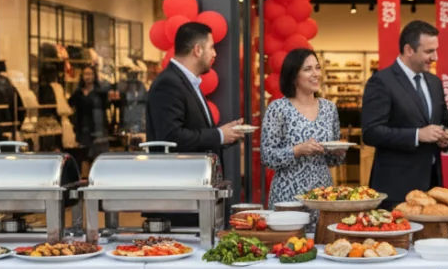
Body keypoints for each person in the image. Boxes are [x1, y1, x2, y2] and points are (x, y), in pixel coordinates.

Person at [361, 20, 448, 207]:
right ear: (409, 50)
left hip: (432, 189)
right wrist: (417, 135)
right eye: (429, 51)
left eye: (436, 50)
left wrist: (445, 136)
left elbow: (443, 122)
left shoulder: (434, 83)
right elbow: (371, 132)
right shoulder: (381, 81)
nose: (435, 57)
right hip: (395, 189)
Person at [261, 49, 346, 233]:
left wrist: (338, 152)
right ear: (293, 76)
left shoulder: (329, 108)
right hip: (288, 196)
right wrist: (296, 150)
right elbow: (267, 156)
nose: (315, 74)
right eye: (308, 69)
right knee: (288, 249)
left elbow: (332, 161)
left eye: (317, 68)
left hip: (322, 195)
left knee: (323, 246)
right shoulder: (278, 108)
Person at [146, 22, 244, 162]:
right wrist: (219, 135)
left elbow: (194, 133)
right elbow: (171, 138)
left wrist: (228, 134)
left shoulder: (186, 82)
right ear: (197, 50)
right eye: (211, 47)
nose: (215, 54)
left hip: (196, 178)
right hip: (182, 179)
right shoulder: (168, 83)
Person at [68, 65, 110, 169]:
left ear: (94, 76)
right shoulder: (78, 93)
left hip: (97, 129)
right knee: (84, 157)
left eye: (90, 74)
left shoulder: (100, 93)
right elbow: (70, 105)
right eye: (85, 74)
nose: (87, 77)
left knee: (97, 157)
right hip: (83, 128)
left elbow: (105, 110)